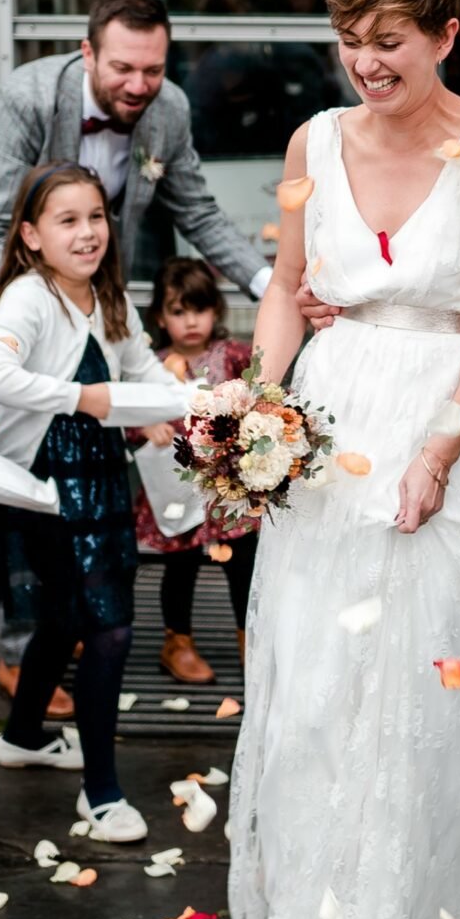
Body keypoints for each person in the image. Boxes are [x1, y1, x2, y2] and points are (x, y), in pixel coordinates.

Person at [232, 0, 460, 919]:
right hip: (326, 420)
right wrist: (256, 406)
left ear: (450, 35)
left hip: (434, 412)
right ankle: (319, 898)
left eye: (393, 41)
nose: (369, 62)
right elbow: (282, 288)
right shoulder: (312, 139)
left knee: (414, 673)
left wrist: (440, 449)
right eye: (352, 40)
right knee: (316, 667)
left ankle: (393, 910)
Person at [0, 0, 272, 726]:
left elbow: (196, 208)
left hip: (78, 292)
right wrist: (51, 315)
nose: (139, 85)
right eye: (124, 67)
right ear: (87, 53)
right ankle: (19, 648)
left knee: (71, 460)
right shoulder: (26, 97)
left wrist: (268, 281)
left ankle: (58, 623)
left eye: (153, 70)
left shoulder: (169, 111)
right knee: (7, 467)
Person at [0, 163, 189, 842]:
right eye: (68, 220)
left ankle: (25, 734)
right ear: (32, 236)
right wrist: (83, 399)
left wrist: (203, 405)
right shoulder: (28, 299)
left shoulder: (105, 294)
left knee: (67, 618)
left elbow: (142, 368)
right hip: (45, 484)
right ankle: (101, 794)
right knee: (109, 629)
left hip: (96, 477)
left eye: (96, 216)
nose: (88, 231)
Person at [133, 258, 260, 684]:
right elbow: (131, 412)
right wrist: (142, 426)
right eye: (178, 311)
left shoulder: (235, 356)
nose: (191, 321)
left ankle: (252, 640)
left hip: (229, 489)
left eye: (199, 310)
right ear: (160, 317)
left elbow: (264, 397)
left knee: (242, 563)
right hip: (177, 488)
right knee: (181, 564)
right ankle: (178, 642)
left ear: (215, 312)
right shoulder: (150, 365)